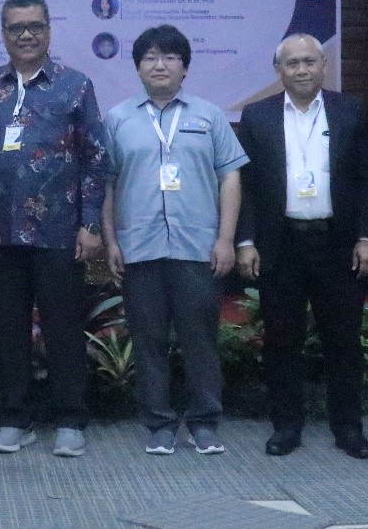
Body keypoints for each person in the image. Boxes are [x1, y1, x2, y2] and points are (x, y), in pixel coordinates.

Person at [0, 0, 109, 458]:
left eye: (34, 26)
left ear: (48, 30)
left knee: (63, 327)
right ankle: (15, 419)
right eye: (16, 27)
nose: (26, 35)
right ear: (3, 33)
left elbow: (95, 158)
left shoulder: (75, 86)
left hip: (59, 232)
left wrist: (90, 224)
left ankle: (70, 419)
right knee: (7, 329)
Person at [101, 24, 246, 456]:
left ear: (185, 67)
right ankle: (160, 423)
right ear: (138, 68)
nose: (159, 65)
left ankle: (204, 422)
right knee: (148, 342)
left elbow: (230, 176)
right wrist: (110, 241)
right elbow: (106, 184)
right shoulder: (118, 119)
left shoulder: (209, 116)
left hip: (197, 249)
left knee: (200, 339)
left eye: (169, 57)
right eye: (149, 57)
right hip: (139, 249)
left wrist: (226, 239)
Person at [234, 34, 368, 459]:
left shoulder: (351, 111)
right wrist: (245, 240)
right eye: (292, 63)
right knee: (282, 341)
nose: (301, 70)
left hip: (338, 243)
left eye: (309, 62)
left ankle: (348, 428)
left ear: (323, 66)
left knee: (344, 340)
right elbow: (246, 185)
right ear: (278, 70)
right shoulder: (257, 116)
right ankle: (286, 427)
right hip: (280, 244)